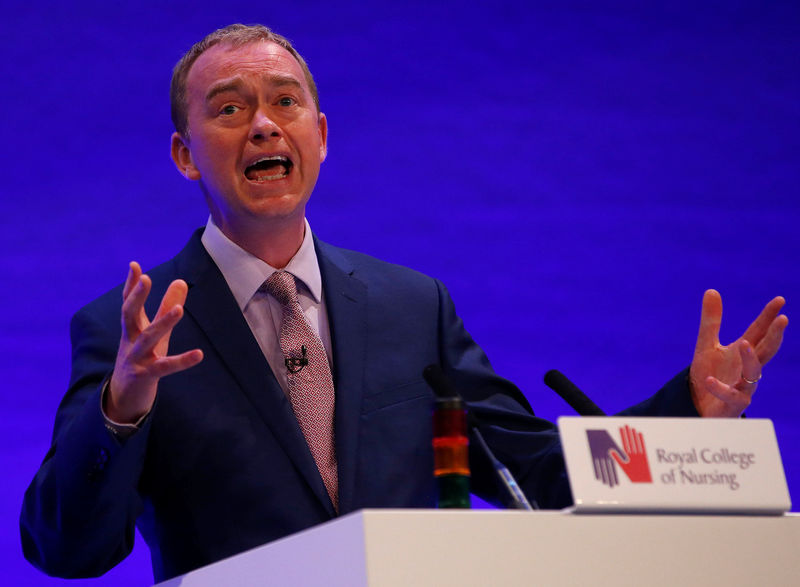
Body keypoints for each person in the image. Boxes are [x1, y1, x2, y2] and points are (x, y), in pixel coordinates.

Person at [20, 24, 788, 582]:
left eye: (284, 102)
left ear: (318, 136)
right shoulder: (131, 332)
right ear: (185, 154)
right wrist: (123, 404)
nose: (262, 122)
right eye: (229, 109)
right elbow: (68, 549)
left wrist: (688, 408)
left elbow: (535, 470)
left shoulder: (411, 307)